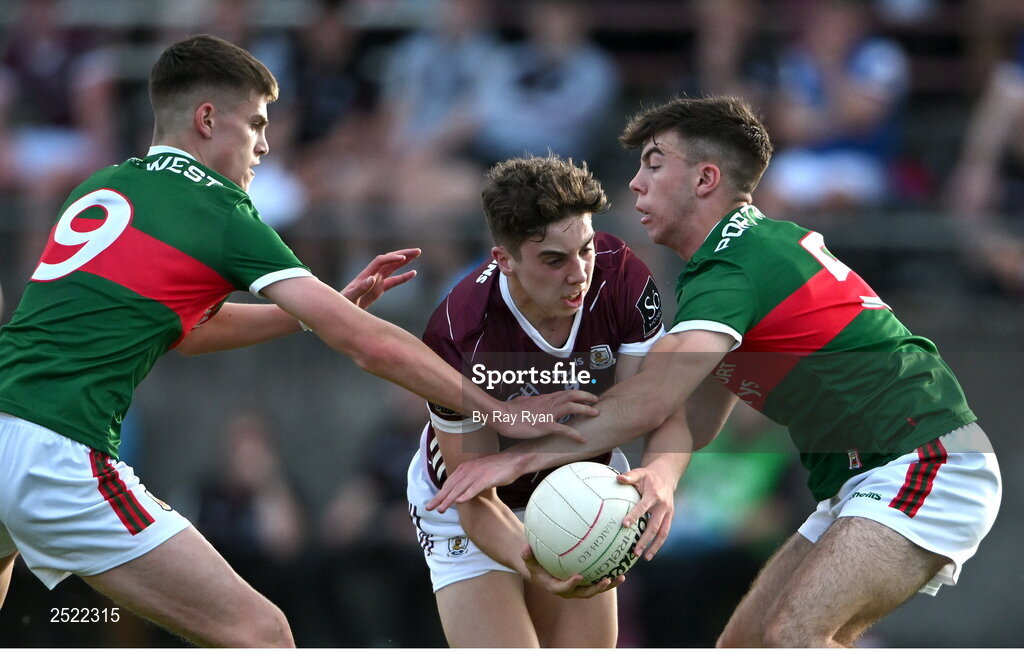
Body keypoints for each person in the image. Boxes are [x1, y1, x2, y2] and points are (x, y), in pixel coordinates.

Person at [0, 35, 595, 647]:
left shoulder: (102, 188)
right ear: (208, 119)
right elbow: (368, 345)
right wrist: (501, 411)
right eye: (256, 123)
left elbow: (189, 331)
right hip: (60, 452)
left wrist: (317, 310)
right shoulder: (218, 206)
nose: (264, 144)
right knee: (265, 633)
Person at [428, 96, 1003, 647]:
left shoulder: (733, 265)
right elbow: (694, 420)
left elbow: (651, 398)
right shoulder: (730, 266)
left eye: (654, 164)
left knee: (794, 638)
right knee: (746, 645)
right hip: (862, 478)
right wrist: (661, 474)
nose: (635, 183)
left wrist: (520, 454)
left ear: (705, 180)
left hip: (923, 456)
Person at [407, 154, 690, 647]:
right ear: (503, 260)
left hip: (583, 490)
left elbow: (661, 407)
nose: (578, 273)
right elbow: (473, 497)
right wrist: (535, 562)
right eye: (554, 260)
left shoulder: (623, 280)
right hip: (468, 510)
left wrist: (664, 472)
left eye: (585, 249)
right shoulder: (458, 333)